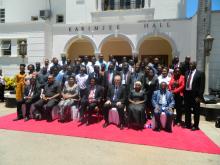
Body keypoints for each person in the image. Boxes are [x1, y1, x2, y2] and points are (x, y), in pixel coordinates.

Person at [184, 61, 205, 131]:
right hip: (187, 94)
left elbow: (202, 87)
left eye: (192, 64)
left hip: (195, 96)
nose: (190, 65)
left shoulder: (200, 73)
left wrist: (199, 97)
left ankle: (195, 125)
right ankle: (188, 124)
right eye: (189, 64)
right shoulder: (187, 72)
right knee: (187, 110)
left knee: (196, 111)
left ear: (195, 65)